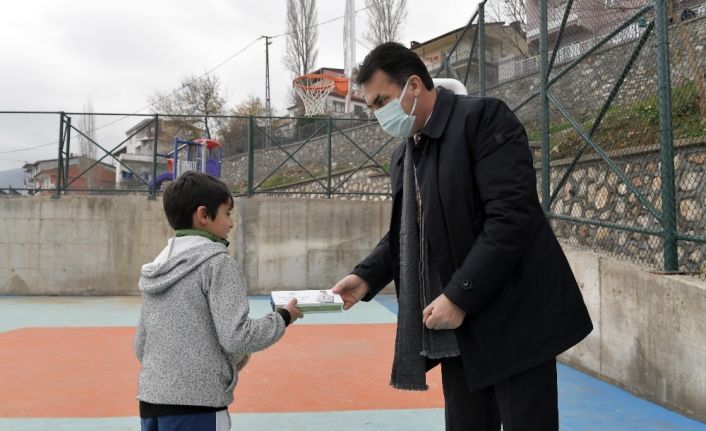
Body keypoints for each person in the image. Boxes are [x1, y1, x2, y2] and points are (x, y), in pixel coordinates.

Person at [332, 42, 592, 431]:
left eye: (381, 100)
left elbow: (510, 219)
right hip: (457, 332)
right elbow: (407, 234)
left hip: (515, 320)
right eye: (371, 105)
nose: (377, 114)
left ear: (415, 85)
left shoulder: (483, 120)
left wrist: (458, 295)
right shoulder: (405, 154)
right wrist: (366, 276)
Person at [134, 171, 301, 431]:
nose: (231, 223)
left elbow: (140, 345)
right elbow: (238, 337)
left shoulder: (157, 267)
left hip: (151, 402)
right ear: (203, 215)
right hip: (199, 406)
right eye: (227, 213)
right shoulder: (217, 263)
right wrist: (283, 317)